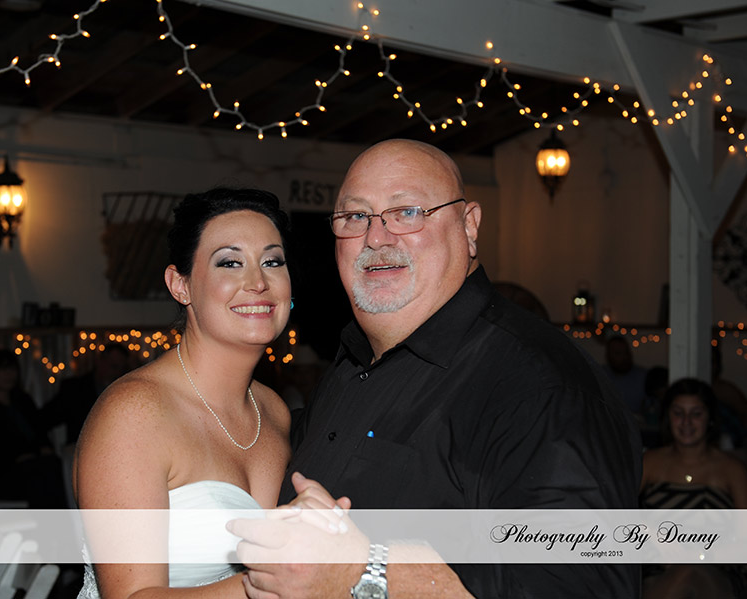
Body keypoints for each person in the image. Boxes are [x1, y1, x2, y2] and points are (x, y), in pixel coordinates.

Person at [231, 139, 642, 598]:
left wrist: (363, 573)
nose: (376, 237)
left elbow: (580, 588)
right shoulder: (352, 365)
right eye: (355, 217)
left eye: (407, 212)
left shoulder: (540, 386)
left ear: (469, 226)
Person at [73, 188, 294, 598]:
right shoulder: (135, 413)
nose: (258, 282)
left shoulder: (273, 410)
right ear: (181, 285)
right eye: (230, 262)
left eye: (272, 261)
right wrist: (277, 580)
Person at [640, 377, 747, 597]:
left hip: (717, 570)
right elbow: (614, 514)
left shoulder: (732, 470)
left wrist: (700, 556)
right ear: (668, 417)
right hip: (657, 571)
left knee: (689, 572)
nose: (686, 422)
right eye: (678, 413)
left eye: (696, 414)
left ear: (710, 419)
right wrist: (651, 534)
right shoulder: (649, 463)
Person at [0, 348, 67, 508]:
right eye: (3, 369)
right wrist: (18, 457)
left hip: (35, 467)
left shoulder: (23, 401)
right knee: (45, 475)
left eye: (12, 369)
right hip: (2, 474)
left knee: (54, 468)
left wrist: (43, 448)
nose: (9, 374)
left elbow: (39, 430)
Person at [41, 342, 131, 446]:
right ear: (100, 361)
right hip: (82, 448)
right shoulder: (75, 389)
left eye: (121, 368)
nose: (117, 372)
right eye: (113, 366)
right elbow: (44, 419)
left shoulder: (125, 391)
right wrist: (45, 447)